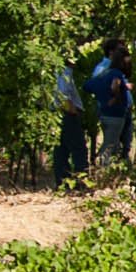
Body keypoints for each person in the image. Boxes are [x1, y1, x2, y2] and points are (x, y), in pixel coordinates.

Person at [49, 48, 98, 186]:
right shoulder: (64, 72)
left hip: (59, 114)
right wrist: (73, 111)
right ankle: (82, 182)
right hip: (67, 114)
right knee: (78, 149)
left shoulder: (55, 71)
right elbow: (63, 95)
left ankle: (62, 183)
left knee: (61, 150)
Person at [88, 36, 136, 169]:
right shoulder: (103, 68)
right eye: (121, 49)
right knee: (111, 144)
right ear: (111, 52)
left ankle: (119, 173)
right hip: (112, 112)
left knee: (125, 144)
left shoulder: (119, 68)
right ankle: (104, 171)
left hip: (124, 111)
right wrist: (114, 97)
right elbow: (97, 87)